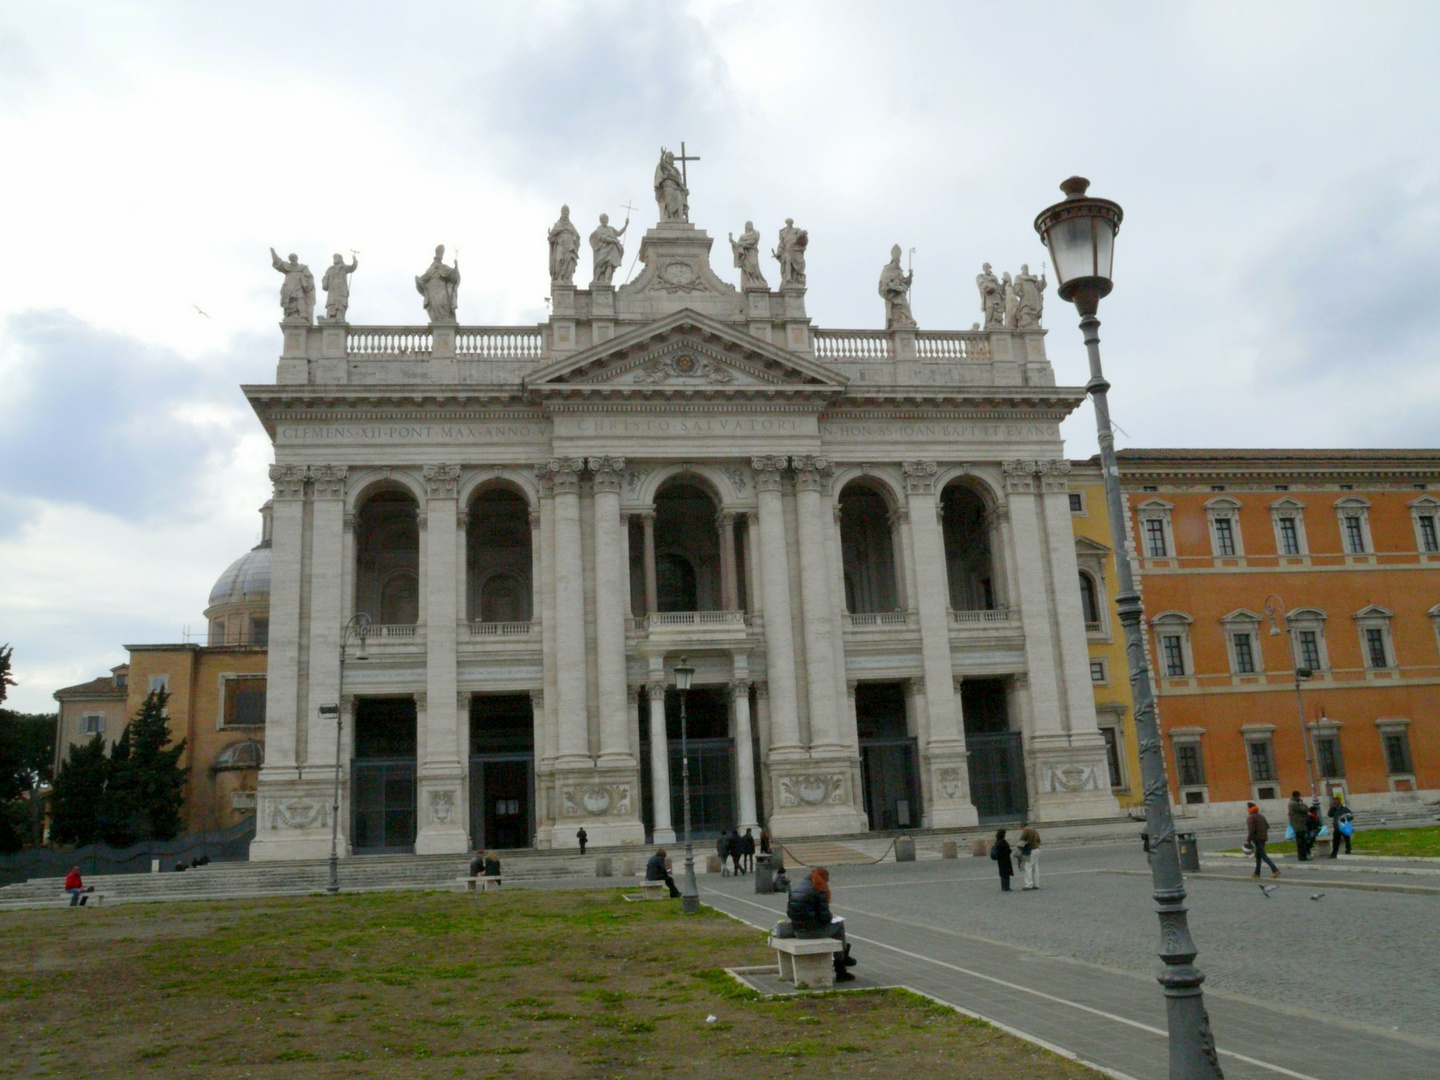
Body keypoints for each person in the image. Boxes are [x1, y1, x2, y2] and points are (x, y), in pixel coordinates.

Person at [787, 866, 857, 982]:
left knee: (836, 928)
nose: (828, 882)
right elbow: (825, 918)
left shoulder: (795, 887)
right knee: (839, 925)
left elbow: (790, 913)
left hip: (797, 931)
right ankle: (841, 968)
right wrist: (831, 917)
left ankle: (843, 959)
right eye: (827, 879)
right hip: (811, 932)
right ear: (823, 878)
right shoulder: (819, 889)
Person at [1248, 801, 1280, 878]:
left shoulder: (1251, 817)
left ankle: (1275, 870)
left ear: (1249, 809)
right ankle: (1257, 872)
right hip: (1263, 838)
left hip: (1257, 839)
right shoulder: (1261, 816)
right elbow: (1267, 826)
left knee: (1263, 855)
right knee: (1258, 855)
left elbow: (1251, 830)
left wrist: (1248, 840)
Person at [1018, 821, 1042, 891]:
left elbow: (1021, 841)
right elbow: (1039, 840)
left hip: (1030, 850)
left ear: (1022, 826)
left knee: (1027, 867)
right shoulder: (1035, 830)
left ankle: (1028, 884)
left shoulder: (1026, 830)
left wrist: (1019, 848)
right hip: (1037, 849)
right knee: (1035, 867)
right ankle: (1036, 884)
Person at [1287, 791, 1311, 860]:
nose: (1300, 797)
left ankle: (1301, 856)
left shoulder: (1292, 803)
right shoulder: (1295, 804)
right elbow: (1305, 809)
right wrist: (1302, 803)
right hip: (1299, 824)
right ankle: (1302, 856)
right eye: (1299, 796)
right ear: (1297, 796)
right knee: (1301, 841)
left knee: (1300, 841)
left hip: (1297, 824)